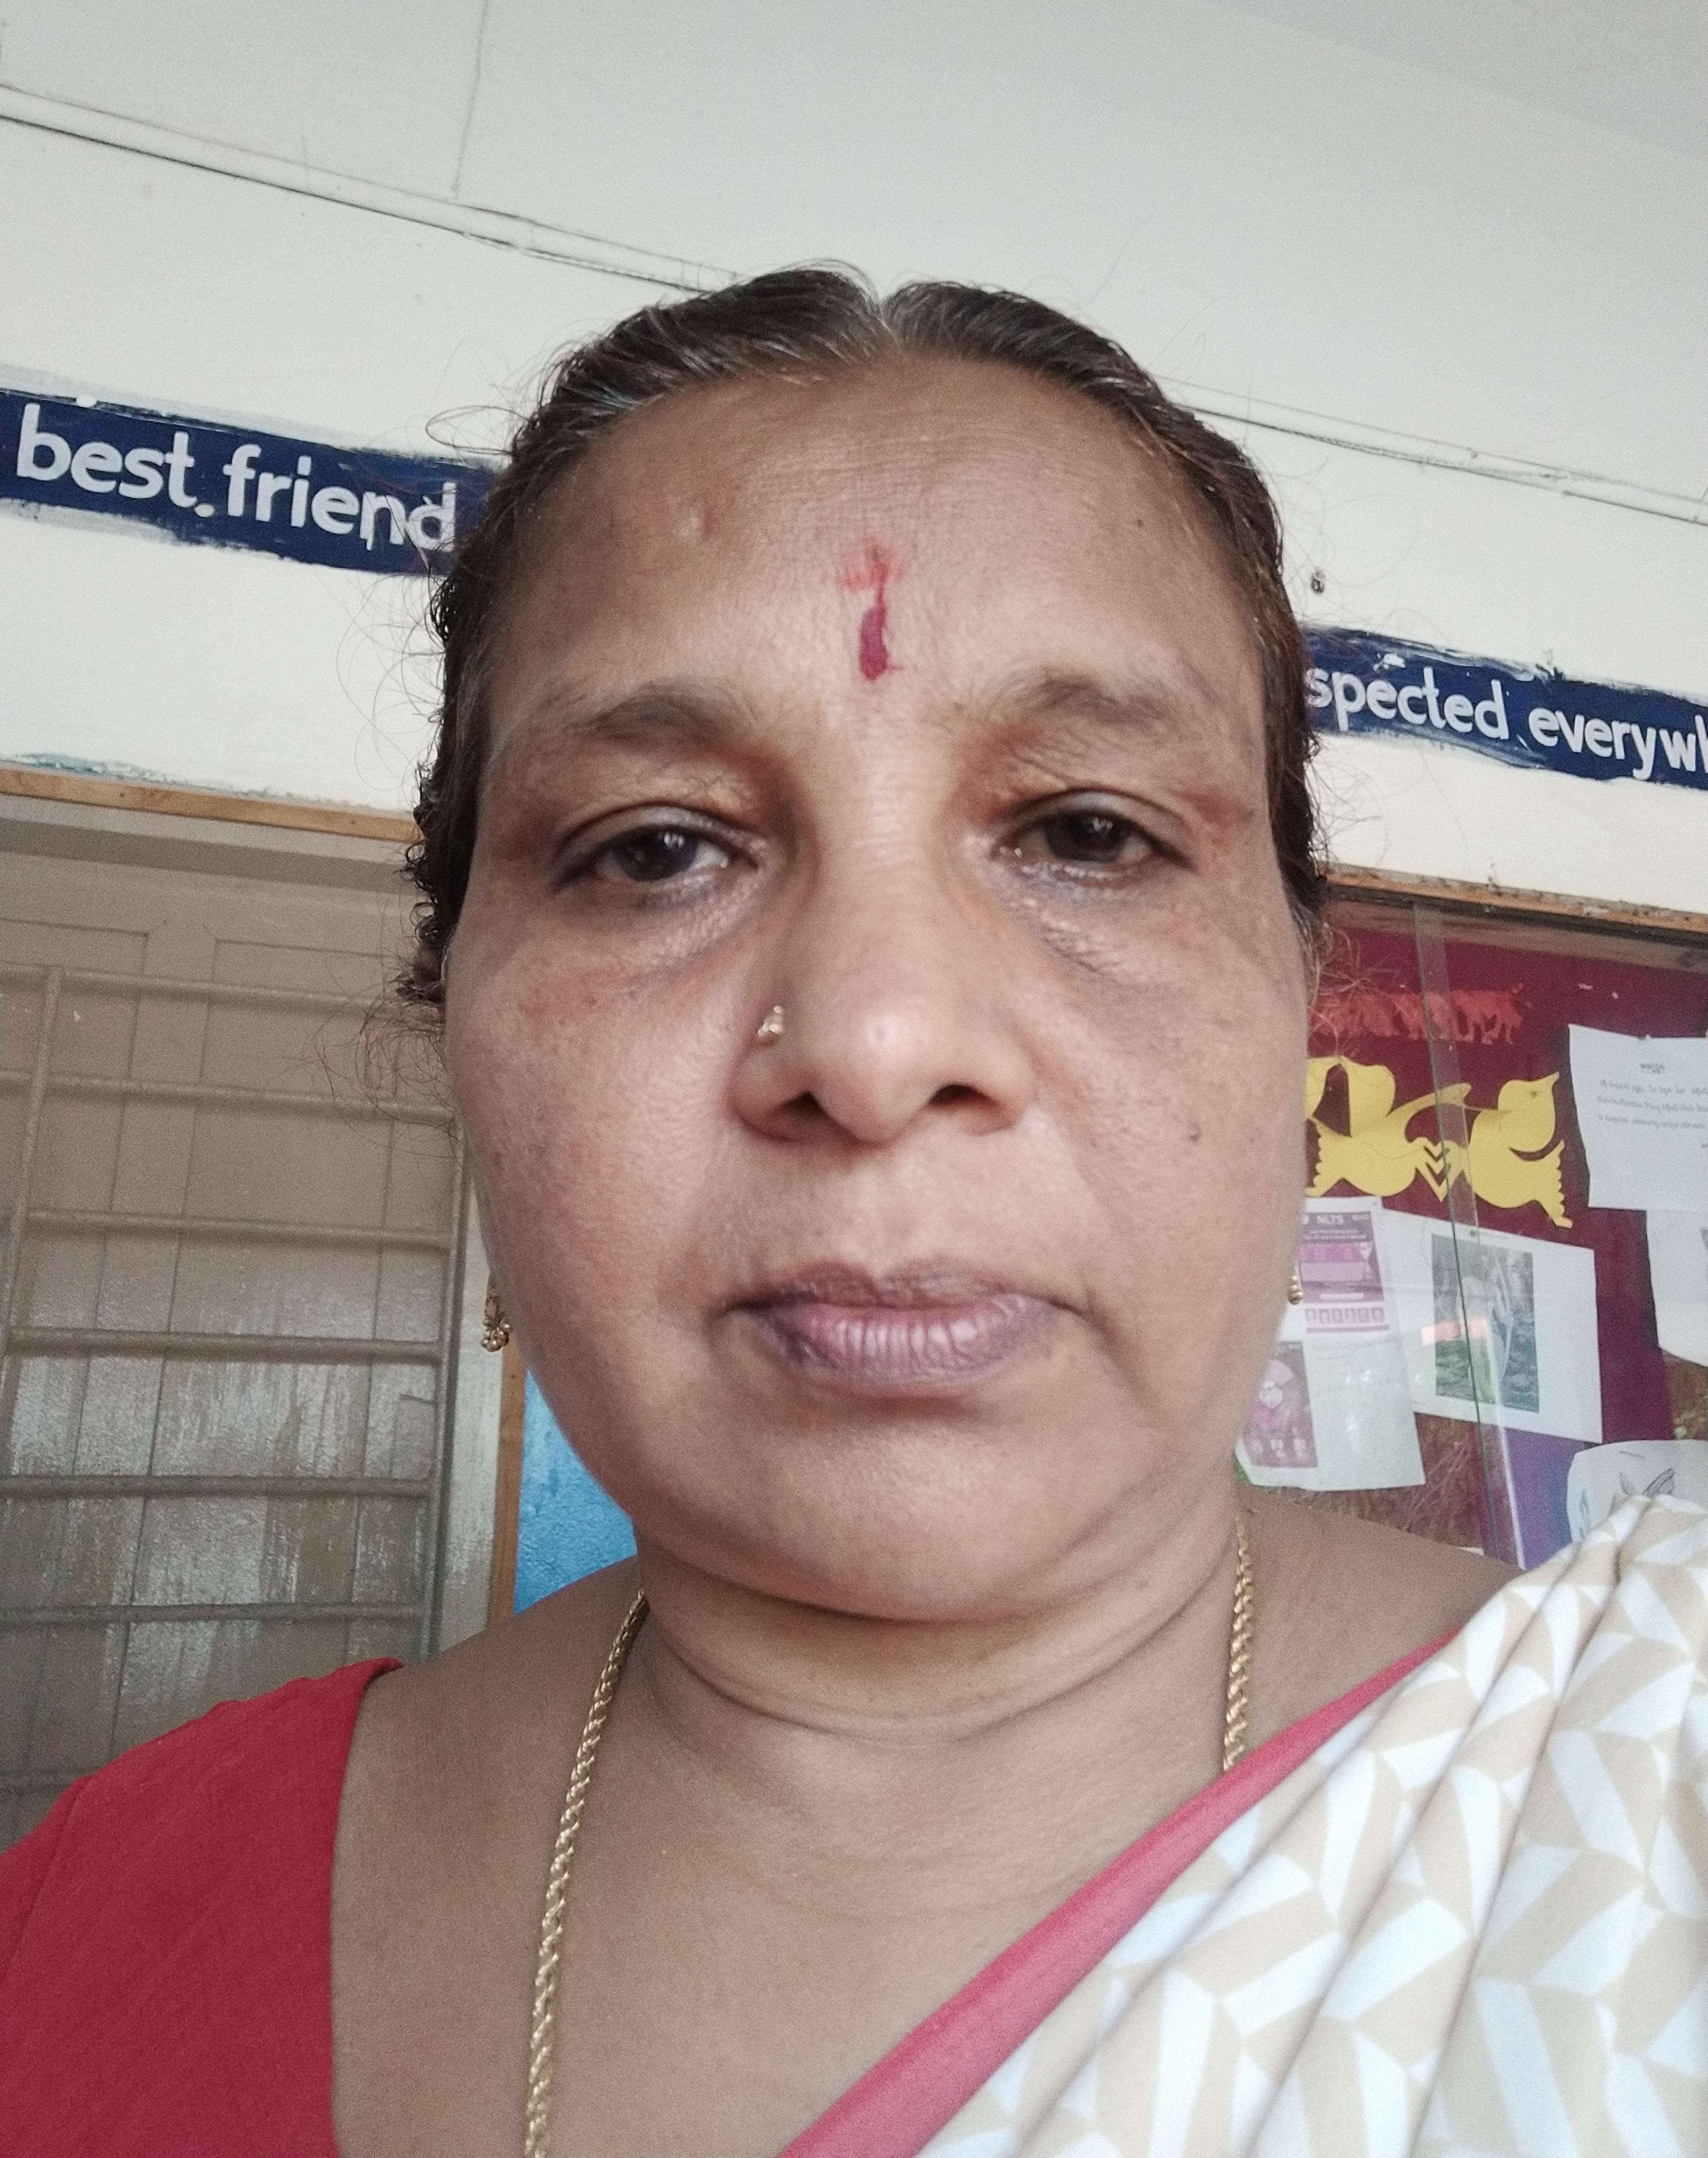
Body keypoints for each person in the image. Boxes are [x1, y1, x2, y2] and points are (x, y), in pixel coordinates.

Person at [3, 268, 1704, 2158]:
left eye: (1089, 833)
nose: (879, 1049)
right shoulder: (94, 1931)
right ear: (451, 1009)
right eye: (658, 849)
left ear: (1301, 988)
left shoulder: (1659, 1773)